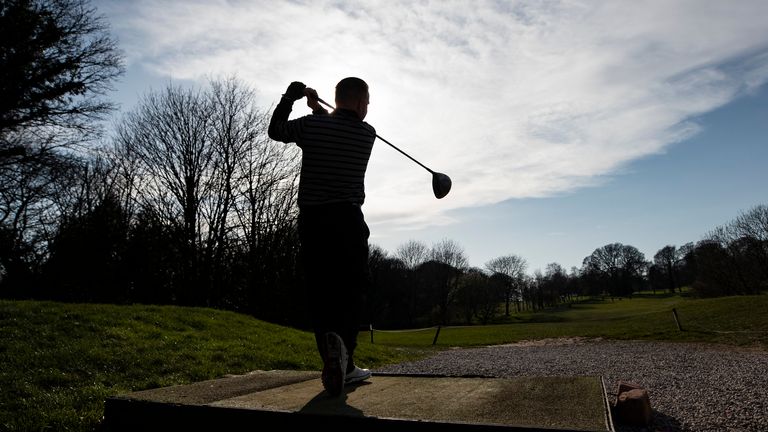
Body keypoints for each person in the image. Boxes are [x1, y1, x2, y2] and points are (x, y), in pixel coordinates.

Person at [268, 78, 375, 397]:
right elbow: (337, 126)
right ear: (358, 104)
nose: (368, 107)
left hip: (313, 222)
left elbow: (276, 131)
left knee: (320, 292)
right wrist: (317, 110)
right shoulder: (367, 134)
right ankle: (347, 362)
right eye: (367, 101)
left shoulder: (312, 127)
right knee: (351, 289)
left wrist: (292, 97)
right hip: (348, 220)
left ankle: (333, 360)